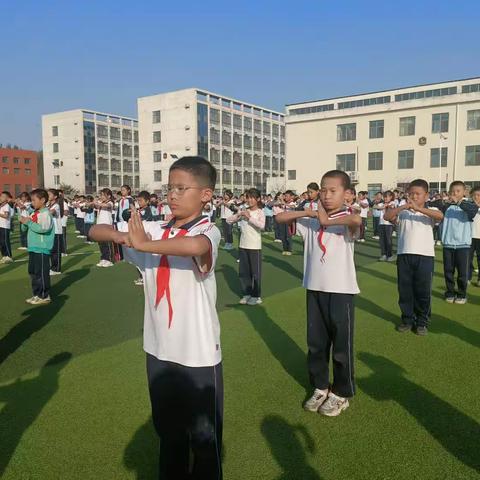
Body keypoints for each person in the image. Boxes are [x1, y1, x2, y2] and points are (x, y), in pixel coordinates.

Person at [89, 156, 223, 479]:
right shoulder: (153, 228)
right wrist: (124, 238)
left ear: (205, 195)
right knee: (169, 432)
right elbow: (95, 230)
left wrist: (146, 244)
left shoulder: (208, 230)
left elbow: (195, 246)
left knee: (205, 439)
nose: (172, 195)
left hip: (198, 353)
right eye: (169, 188)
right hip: (159, 349)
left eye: (181, 188)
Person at [276, 170, 361, 417]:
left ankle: (342, 392)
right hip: (314, 288)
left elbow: (356, 222)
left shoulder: (348, 217)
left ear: (347, 194)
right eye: (323, 190)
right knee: (316, 344)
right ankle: (321, 386)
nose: (326, 195)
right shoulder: (312, 219)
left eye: (333, 191)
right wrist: (309, 212)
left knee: (342, 346)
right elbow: (281, 218)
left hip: (341, 291)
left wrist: (326, 220)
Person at [383, 179, 444, 335]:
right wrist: (405, 206)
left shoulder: (431, 210)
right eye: (411, 194)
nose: (414, 197)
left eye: (418, 194)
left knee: (423, 291)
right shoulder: (403, 212)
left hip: (425, 257)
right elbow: (387, 216)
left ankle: (422, 321)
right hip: (404, 256)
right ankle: (407, 319)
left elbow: (440, 216)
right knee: (405, 291)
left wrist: (418, 209)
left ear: (426, 195)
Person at [436, 181, 478, 304]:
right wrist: (446, 202)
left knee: (462, 273)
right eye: (452, 191)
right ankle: (450, 292)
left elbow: (472, 211)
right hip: (448, 244)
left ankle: (462, 294)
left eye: (458, 191)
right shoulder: (446, 206)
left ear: (464, 192)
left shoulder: (470, 204)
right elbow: (436, 210)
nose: (454, 194)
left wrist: (458, 202)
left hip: (463, 245)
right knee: (448, 271)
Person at [227, 188, 265, 306]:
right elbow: (228, 221)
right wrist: (239, 215)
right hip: (243, 245)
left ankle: (256, 295)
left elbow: (262, 226)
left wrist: (249, 217)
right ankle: (247, 294)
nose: (250, 200)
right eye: (248, 197)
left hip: (254, 246)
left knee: (255, 272)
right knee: (244, 272)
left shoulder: (260, 212)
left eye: (253, 198)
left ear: (258, 199)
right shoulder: (244, 210)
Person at [19, 189, 55, 305]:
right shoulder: (34, 213)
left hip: (42, 248)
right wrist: (24, 223)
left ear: (43, 200)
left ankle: (44, 295)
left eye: (34, 200)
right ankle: (36, 294)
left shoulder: (45, 214)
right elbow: (26, 227)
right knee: (33, 272)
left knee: (41, 273)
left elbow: (43, 228)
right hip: (33, 248)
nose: (32, 203)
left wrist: (28, 223)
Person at [94, 188, 115, 268]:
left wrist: (98, 203)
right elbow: (94, 205)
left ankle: (109, 259)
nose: (101, 196)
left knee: (107, 243)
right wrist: (96, 201)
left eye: (103, 195)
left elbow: (107, 206)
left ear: (109, 196)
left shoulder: (110, 202)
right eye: (101, 195)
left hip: (107, 225)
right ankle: (103, 258)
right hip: (99, 225)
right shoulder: (100, 203)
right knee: (101, 243)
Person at [47, 188, 63, 275]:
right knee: (51, 251)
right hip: (50, 231)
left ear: (55, 196)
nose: (47, 196)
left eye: (49, 194)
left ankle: (56, 269)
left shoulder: (56, 205)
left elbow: (51, 213)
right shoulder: (48, 205)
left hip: (56, 231)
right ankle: (52, 267)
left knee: (56, 251)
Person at [378, 191, 395, 261]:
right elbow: (376, 207)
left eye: (387, 196)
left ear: (391, 197)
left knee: (388, 240)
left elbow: (392, 207)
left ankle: (390, 255)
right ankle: (383, 254)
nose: (385, 198)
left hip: (389, 224)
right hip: (381, 223)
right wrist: (384, 206)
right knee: (382, 240)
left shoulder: (392, 203)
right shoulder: (381, 204)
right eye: (384, 197)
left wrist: (387, 206)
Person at [279, 190, 296, 255]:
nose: (285, 197)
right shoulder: (285, 203)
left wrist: (284, 203)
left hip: (290, 221)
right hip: (284, 220)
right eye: (285, 196)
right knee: (283, 235)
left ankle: (289, 250)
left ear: (291, 197)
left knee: (288, 236)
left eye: (286, 196)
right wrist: (281, 201)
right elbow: (281, 206)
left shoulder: (292, 203)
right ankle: (285, 249)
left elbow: (293, 207)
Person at [469, 187, 480, 287]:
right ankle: (467, 277)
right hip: (470, 237)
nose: (476, 197)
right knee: (468, 259)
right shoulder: (469, 206)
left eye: (478, 195)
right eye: (474, 195)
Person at [0, 191, 14, 263]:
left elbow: (6, 216)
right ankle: (4, 256)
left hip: (5, 226)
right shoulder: (1, 206)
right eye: (1, 196)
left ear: (7, 198)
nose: (1, 198)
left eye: (3, 197)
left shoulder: (6, 206)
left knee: (5, 241)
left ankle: (9, 256)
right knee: (1, 242)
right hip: (1, 226)